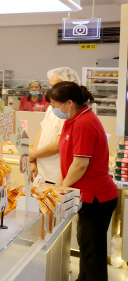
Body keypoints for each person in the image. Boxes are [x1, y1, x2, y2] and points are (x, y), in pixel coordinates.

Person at [47, 82, 117, 281]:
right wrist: (58, 188)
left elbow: (79, 165)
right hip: (84, 194)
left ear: (69, 103)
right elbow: (67, 160)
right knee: (86, 248)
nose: (52, 108)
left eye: (54, 104)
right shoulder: (72, 120)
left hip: (96, 197)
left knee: (92, 252)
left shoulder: (84, 123)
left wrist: (62, 188)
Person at [29, 67, 81, 184]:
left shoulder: (68, 112)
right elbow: (41, 133)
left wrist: (32, 155)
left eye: (54, 86)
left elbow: (58, 145)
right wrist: (33, 160)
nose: (51, 90)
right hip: (40, 172)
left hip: (55, 175)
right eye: (50, 86)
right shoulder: (52, 107)